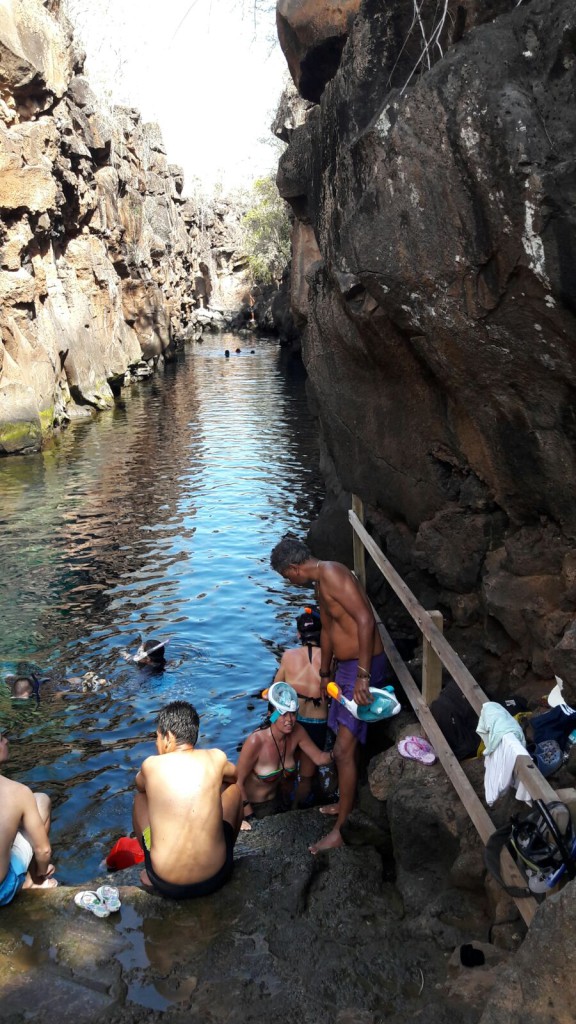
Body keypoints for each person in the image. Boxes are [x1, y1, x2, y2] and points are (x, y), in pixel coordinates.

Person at [270, 535, 390, 853]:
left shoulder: (334, 573)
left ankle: (342, 828)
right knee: (340, 742)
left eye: (286, 576)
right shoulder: (320, 583)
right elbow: (328, 628)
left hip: (362, 667)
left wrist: (363, 676)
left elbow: (365, 619)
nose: (289, 581)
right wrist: (326, 672)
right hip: (345, 669)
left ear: (294, 568)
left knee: (344, 750)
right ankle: (344, 804)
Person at [133, 700, 243, 899]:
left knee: (141, 798)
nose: (156, 743)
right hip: (216, 876)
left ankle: (150, 863)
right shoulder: (215, 757)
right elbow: (234, 776)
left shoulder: (151, 765)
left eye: (157, 737)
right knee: (233, 789)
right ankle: (225, 852)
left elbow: (139, 786)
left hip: (165, 882)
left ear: (168, 737)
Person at [237, 681, 333, 824]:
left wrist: (338, 753)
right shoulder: (256, 741)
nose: (289, 720)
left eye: (293, 714)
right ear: (272, 716)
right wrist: (249, 817)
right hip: (254, 806)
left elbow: (318, 758)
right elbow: (237, 782)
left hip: (278, 801)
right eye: (283, 714)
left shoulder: (298, 731)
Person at [273, 607, 329, 806]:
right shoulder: (330, 658)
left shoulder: (288, 656)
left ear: (299, 634)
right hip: (318, 722)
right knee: (306, 775)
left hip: (292, 721)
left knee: (288, 769)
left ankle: (284, 806)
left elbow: (276, 688)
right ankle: (298, 807)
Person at [0, 732, 57, 906]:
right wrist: (44, 868)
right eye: (0, 738)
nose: (6, 740)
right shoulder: (17, 791)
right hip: (2, 892)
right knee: (41, 800)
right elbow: (44, 850)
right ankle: (34, 881)